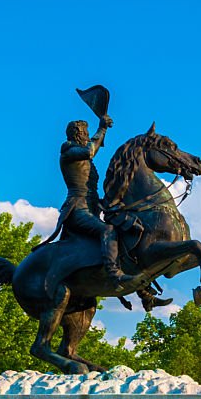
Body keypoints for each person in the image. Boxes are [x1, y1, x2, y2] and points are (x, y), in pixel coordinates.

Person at [56, 116, 137, 291]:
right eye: (85, 132)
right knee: (108, 230)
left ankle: (143, 289)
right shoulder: (68, 151)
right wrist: (102, 129)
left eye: (87, 132)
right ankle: (114, 274)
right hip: (77, 208)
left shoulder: (82, 158)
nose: (87, 136)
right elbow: (90, 151)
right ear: (77, 134)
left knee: (122, 228)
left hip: (92, 207)